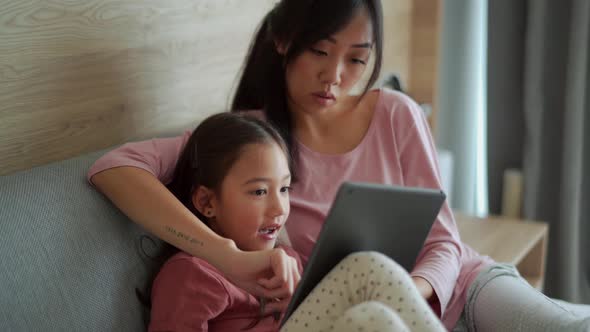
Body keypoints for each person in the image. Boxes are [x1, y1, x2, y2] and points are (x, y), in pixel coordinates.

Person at [89, 0, 590, 330]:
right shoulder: (248, 142)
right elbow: (115, 167)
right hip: (356, 311)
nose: (335, 77)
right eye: (320, 53)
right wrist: (226, 254)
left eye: (356, 59)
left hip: (455, 283)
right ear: (284, 41)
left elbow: (444, 242)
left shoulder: (395, 112)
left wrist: (409, 296)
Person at [144, 112, 444, 331]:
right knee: (370, 314)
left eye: (284, 189)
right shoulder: (191, 274)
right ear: (207, 202)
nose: (279, 208)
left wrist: (297, 304)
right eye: (259, 191)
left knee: (369, 277)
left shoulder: (284, 259)